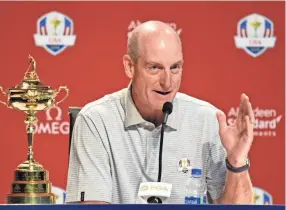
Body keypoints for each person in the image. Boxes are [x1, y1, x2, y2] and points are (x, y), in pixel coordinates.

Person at [65, 20, 254, 204]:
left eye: (175, 68)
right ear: (130, 66)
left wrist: (237, 162)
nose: (167, 82)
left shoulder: (207, 121)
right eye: (154, 68)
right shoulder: (96, 121)